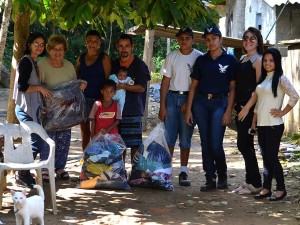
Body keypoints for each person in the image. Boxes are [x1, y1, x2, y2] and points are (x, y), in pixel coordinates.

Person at [238, 48, 299, 201]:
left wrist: (283, 112)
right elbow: (258, 104)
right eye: (265, 60)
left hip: (274, 125)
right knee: (265, 158)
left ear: (277, 62)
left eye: (271, 60)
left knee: (271, 158)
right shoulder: (264, 79)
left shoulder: (280, 79)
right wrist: (253, 123)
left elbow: (294, 96)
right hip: (261, 124)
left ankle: (281, 188)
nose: (267, 63)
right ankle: (266, 188)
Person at [185, 27, 238, 191]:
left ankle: (222, 174)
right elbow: (193, 86)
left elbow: (233, 88)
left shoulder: (230, 60)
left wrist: (229, 111)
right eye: (207, 39)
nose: (210, 42)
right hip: (201, 104)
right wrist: (188, 109)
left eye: (214, 38)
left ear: (221, 40)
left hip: (220, 104)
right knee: (205, 143)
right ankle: (210, 178)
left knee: (215, 144)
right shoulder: (201, 60)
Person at [38, 35, 87, 181]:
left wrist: (81, 86)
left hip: (66, 109)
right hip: (48, 109)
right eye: (54, 49)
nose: (57, 52)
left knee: (64, 138)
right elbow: (38, 86)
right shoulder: (42, 65)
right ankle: (45, 168)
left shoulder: (69, 65)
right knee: (47, 137)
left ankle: (60, 168)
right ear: (49, 50)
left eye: (60, 49)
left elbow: (73, 86)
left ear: (64, 50)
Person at [159, 26, 202, 186]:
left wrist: (190, 104)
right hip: (172, 97)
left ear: (193, 40)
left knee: (185, 137)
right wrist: (162, 106)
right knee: (169, 137)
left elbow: (200, 84)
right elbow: (165, 82)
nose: (184, 41)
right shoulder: (172, 56)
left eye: (187, 38)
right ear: (178, 40)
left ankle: (183, 171)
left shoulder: (199, 57)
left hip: (188, 99)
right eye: (181, 38)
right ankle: (167, 171)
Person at [12, 32, 52, 188]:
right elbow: (22, 86)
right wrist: (40, 89)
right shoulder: (26, 61)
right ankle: (21, 172)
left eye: (42, 44)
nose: (39, 46)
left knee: (34, 141)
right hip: (24, 108)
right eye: (36, 43)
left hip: (31, 108)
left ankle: (22, 170)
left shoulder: (35, 62)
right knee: (36, 141)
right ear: (29, 44)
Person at [232, 27, 263, 195]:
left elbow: (259, 89)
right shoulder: (243, 58)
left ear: (258, 41)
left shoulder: (258, 60)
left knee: (244, 145)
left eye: (252, 38)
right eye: (245, 38)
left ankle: (257, 183)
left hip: (249, 109)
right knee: (245, 145)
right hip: (240, 108)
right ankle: (249, 181)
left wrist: (247, 108)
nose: (248, 41)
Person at [111, 33, 150, 162]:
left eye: (127, 46)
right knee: (118, 144)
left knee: (135, 144)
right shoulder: (113, 64)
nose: (124, 49)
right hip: (115, 111)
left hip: (133, 110)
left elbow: (141, 87)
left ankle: (135, 173)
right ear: (117, 47)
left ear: (132, 47)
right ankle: (120, 173)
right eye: (121, 46)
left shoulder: (139, 65)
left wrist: (123, 86)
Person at [76, 30, 111, 150]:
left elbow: (108, 80)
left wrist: (106, 101)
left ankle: (97, 158)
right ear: (86, 42)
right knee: (85, 131)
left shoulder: (103, 57)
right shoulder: (81, 58)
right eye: (90, 41)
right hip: (83, 99)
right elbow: (77, 78)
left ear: (99, 43)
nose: (92, 44)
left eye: (95, 41)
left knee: (97, 131)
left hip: (98, 100)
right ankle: (86, 158)